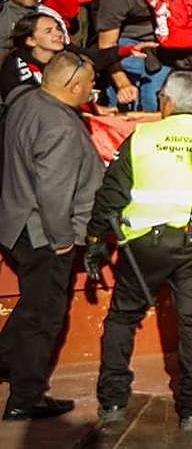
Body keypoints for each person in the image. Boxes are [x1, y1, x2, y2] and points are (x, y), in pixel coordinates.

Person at [83, 71, 192, 432]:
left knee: (122, 319)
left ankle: (112, 403)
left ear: (168, 102)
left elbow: (110, 194)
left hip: (145, 245)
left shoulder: (142, 136)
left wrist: (96, 241)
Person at [0, 51, 102, 420]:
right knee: (45, 316)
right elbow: (54, 193)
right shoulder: (59, 126)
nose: (94, 88)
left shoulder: (25, 103)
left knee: (32, 304)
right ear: (73, 85)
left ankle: (6, 360)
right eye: (90, 82)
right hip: (43, 234)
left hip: (17, 224)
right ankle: (25, 397)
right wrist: (62, 240)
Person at [95, 0, 177, 111]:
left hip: (163, 44)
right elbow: (107, 48)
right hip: (127, 47)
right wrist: (122, 84)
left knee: (154, 103)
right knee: (128, 102)